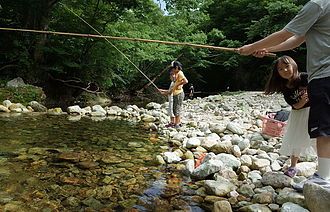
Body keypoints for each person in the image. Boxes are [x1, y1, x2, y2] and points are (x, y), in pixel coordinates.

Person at [238, 0, 330, 188]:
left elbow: (286, 33)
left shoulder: (318, 4)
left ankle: (324, 177)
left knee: (324, 130)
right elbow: (297, 39)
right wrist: (266, 49)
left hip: (324, 74)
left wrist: (250, 47)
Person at [265, 56, 316, 177]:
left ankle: (324, 165)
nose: (285, 70)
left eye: (287, 66)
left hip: (314, 112)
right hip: (298, 115)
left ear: (293, 65)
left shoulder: (305, 77)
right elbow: (295, 106)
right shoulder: (285, 87)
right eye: (281, 69)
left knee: (317, 138)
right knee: (296, 140)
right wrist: (303, 100)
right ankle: (293, 166)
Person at [168, 61, 188, 128]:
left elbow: (186, 81)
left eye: (173, 68)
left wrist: (177, 84)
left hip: (179, 94)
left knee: (177, 109)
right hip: (175, 93)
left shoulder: (180, 73)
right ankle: (176, 123)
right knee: (174, 109)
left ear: (176, 67)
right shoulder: (176, 74)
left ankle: (177, 123)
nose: (172, 70)